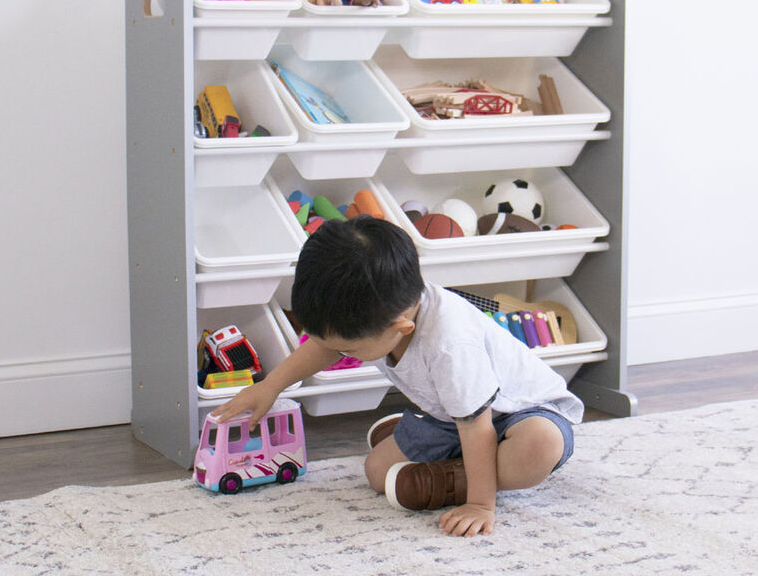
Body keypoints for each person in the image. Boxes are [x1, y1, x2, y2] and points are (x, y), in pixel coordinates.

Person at [212, 217, 582, 538]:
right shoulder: (379, 317)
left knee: (535, 452)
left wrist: (481, 504)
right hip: (450, 417)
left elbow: (477, 425)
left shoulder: (449, 346)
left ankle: (456, 476)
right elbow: (325, 347)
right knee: (377, 472)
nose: (341, 354)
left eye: (350, 350)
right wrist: (269, 386)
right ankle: (445, 449)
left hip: (520, 413)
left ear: (400, 328)